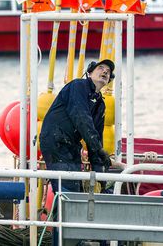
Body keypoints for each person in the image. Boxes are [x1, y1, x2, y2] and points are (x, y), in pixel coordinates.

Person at [40, 58, 114, 195]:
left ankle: (69, 212)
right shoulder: (78, 86)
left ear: (109, 80)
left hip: (72, 146)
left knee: (76, 188)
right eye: (101, 68)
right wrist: (99, 149)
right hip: (55, 141)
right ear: (89, 73)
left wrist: (102, 179)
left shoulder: (99, 105)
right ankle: (63, 214)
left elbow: (96, 140)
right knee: (67, 188)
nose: (105, 71)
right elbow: (82, 118)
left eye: (108, 72)